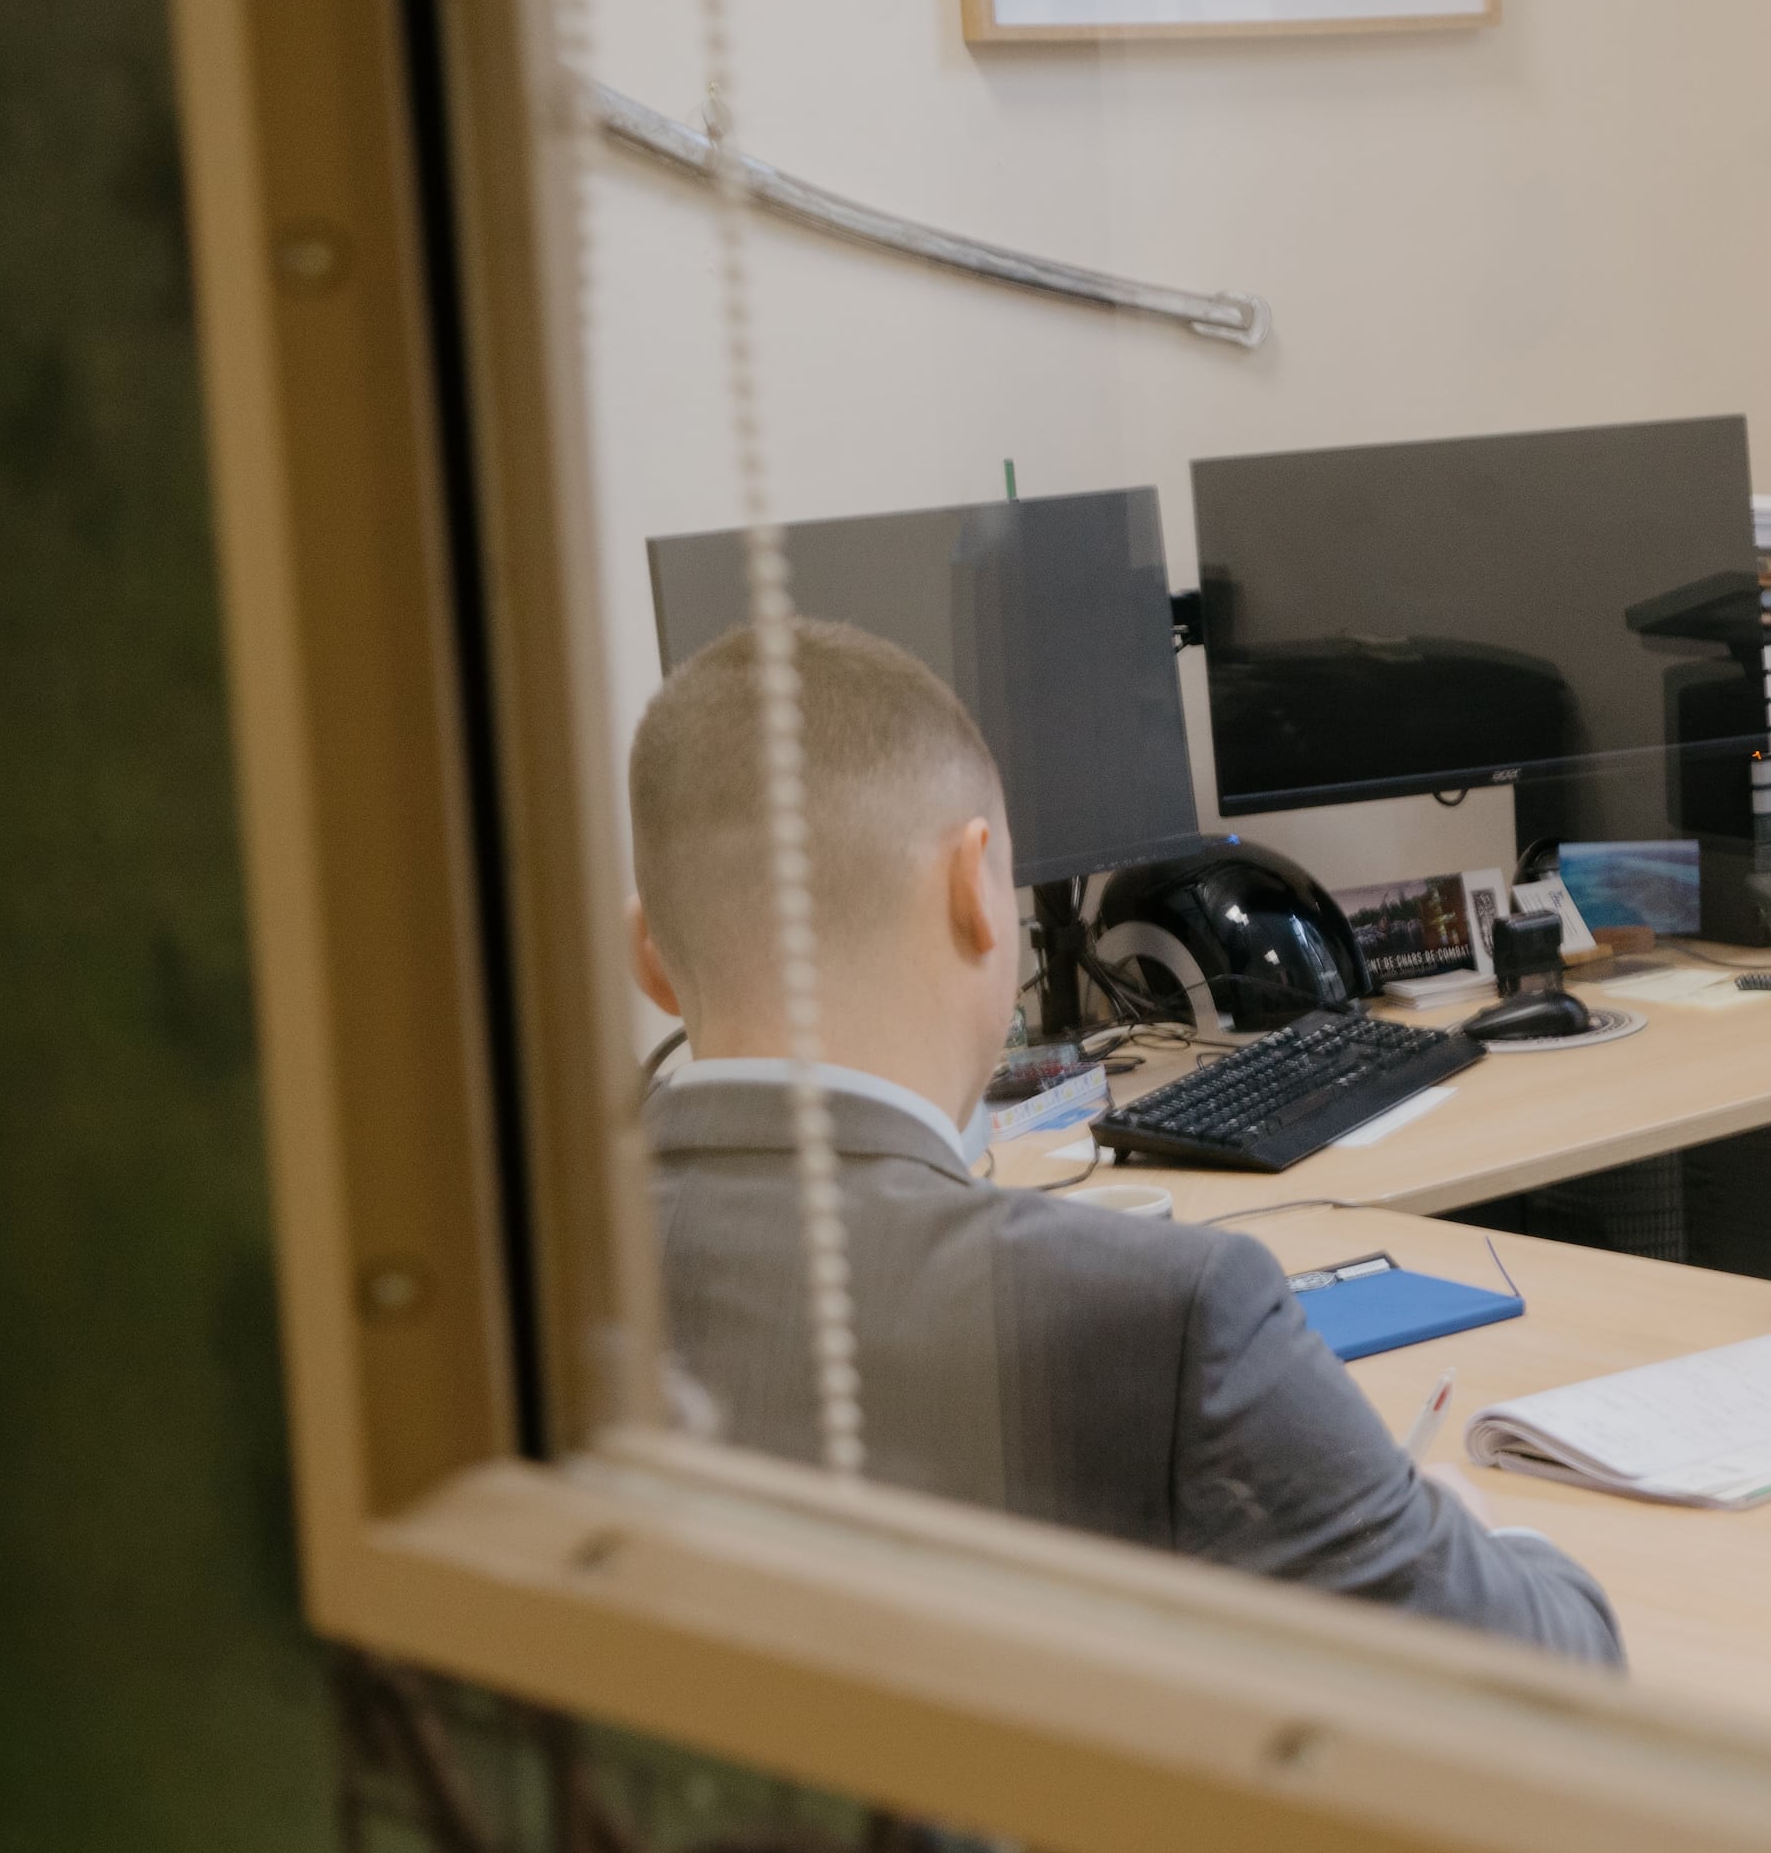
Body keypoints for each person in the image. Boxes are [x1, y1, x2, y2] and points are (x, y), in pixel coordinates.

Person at [628, 618, 1619, 1662]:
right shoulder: (1165, 1313)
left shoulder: (533, 1283)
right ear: (973, 888)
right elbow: (1551, 1668)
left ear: (648, 956)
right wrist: (1465, 1528)